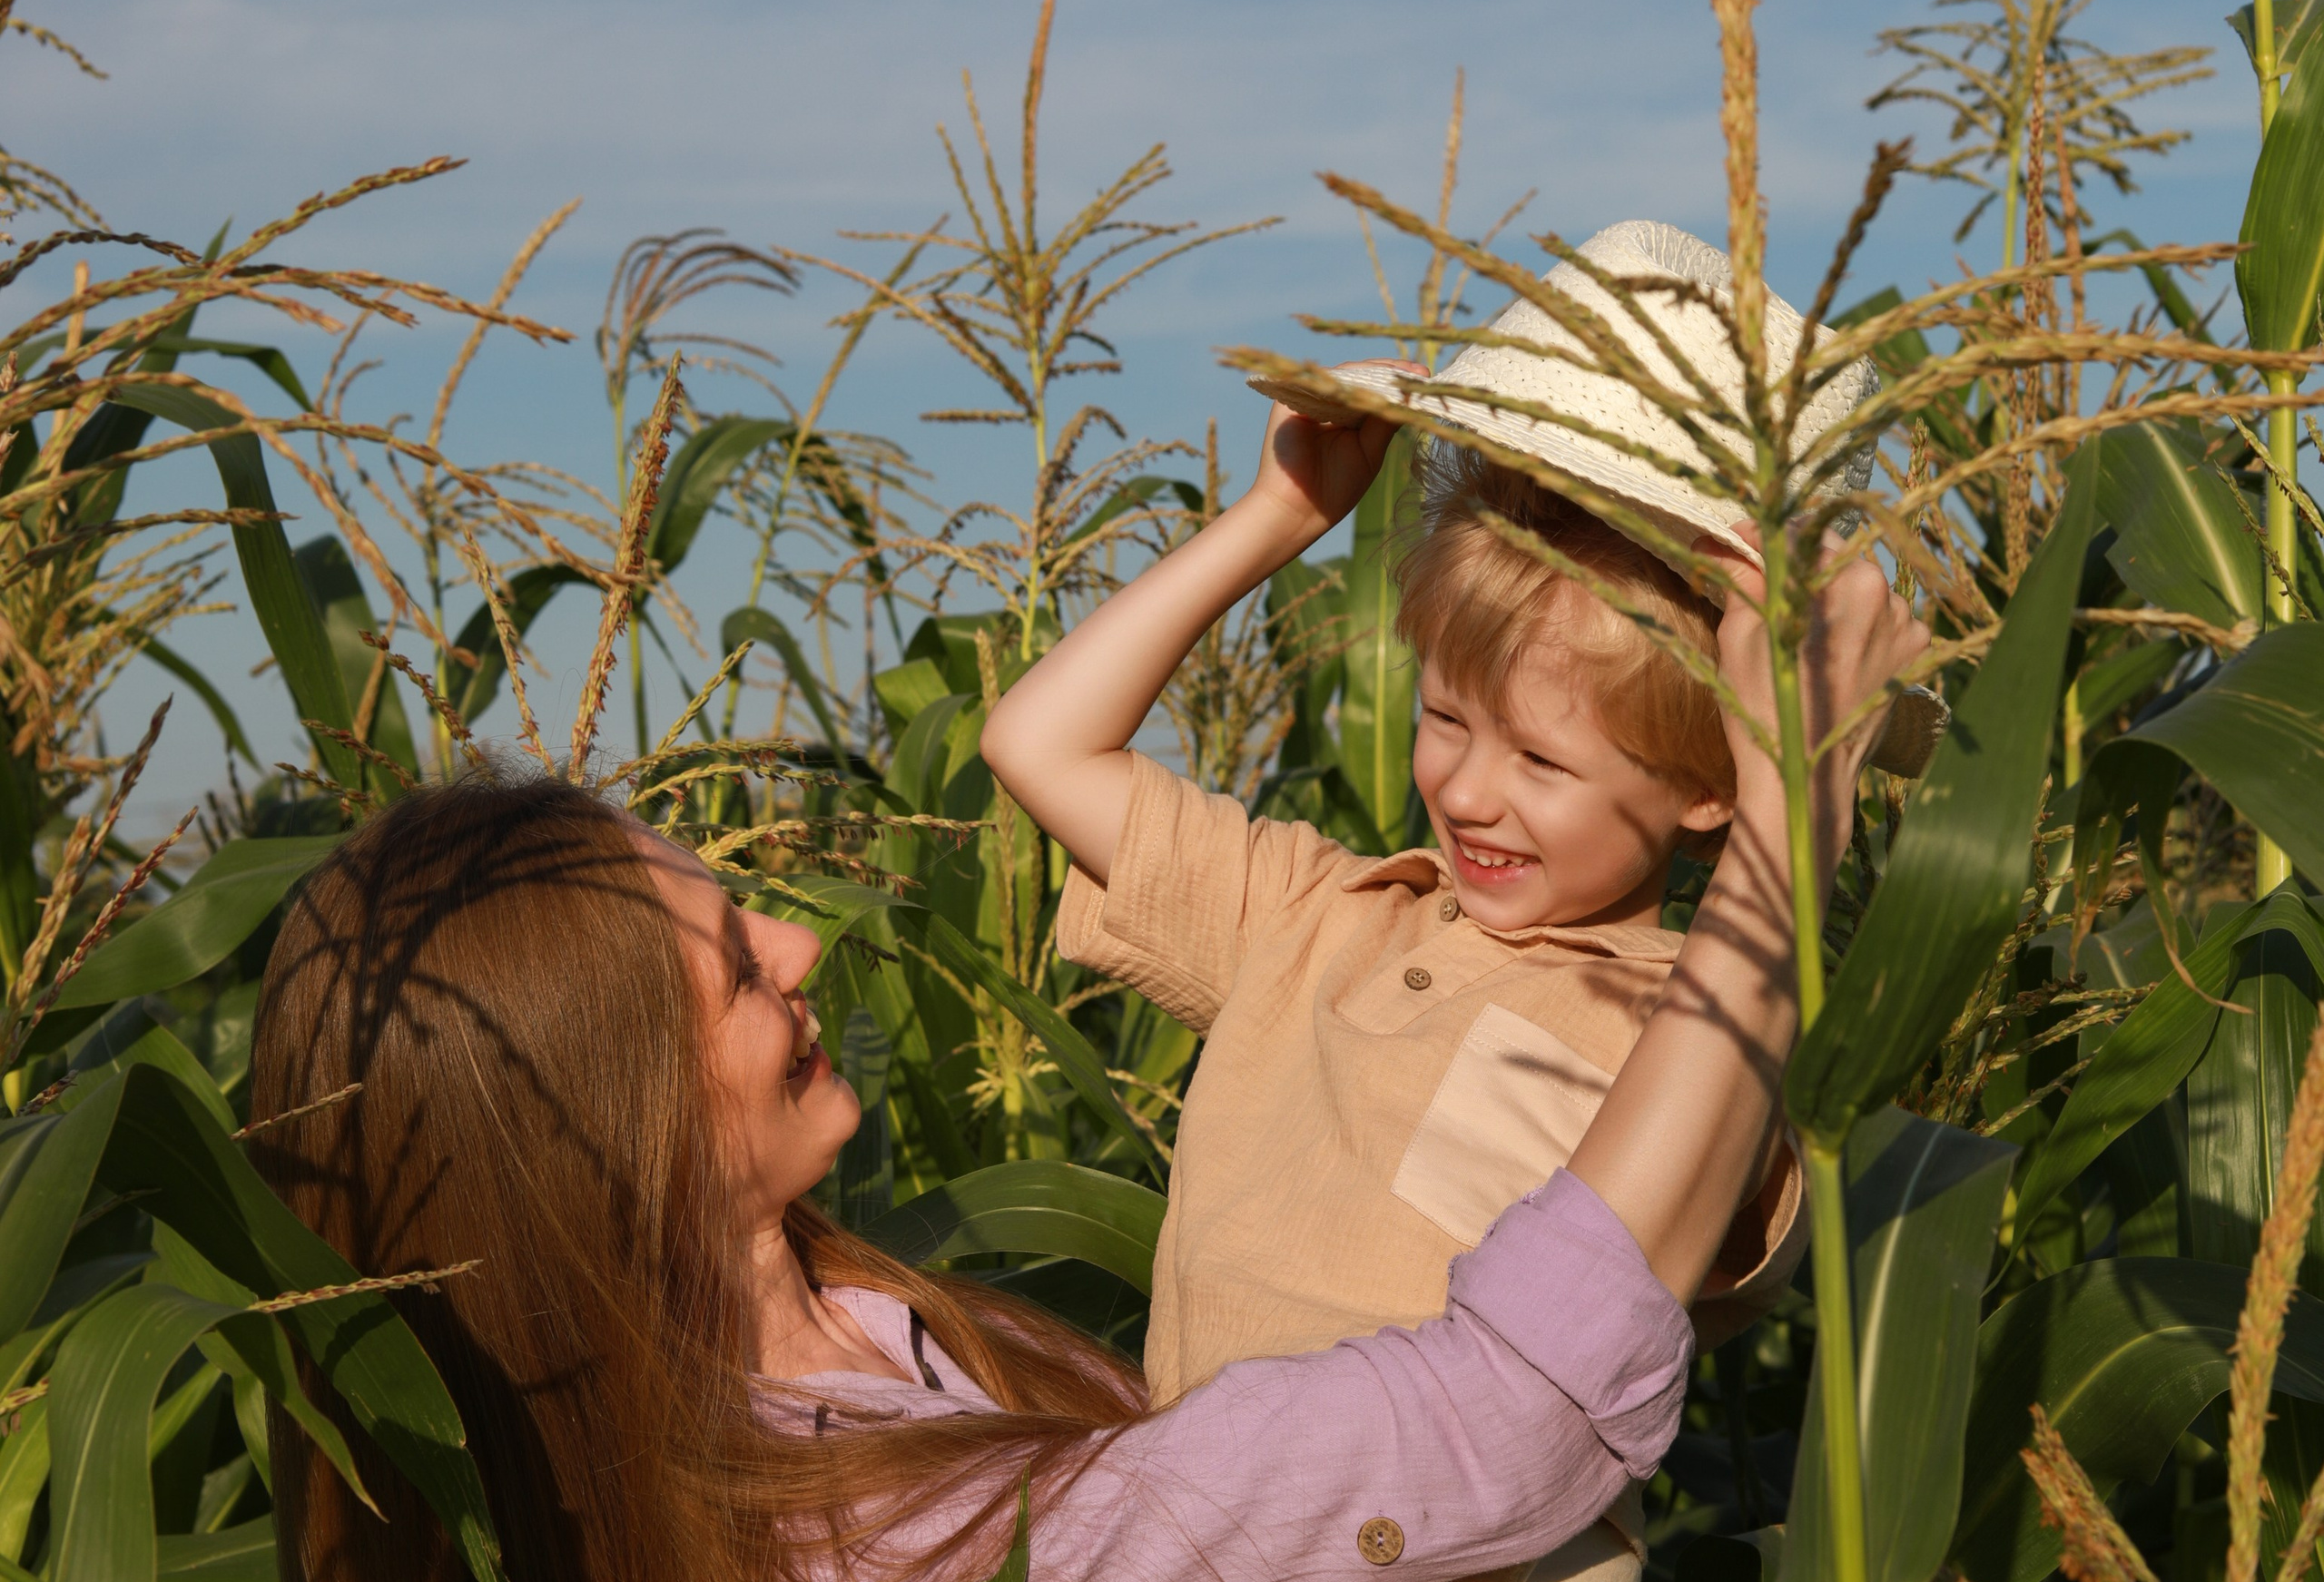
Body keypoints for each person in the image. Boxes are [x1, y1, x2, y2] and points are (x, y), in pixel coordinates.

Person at [250, 476, 1921, 1577]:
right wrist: (1797, 830)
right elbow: (1516, 1407)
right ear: (603, 1128)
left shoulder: (875, 1337)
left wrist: (1282, 508)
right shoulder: (910, 1535)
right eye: (737, 973)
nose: (800, 944)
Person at [981, 220, 1936, 1580]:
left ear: (1719, 787)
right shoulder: (1317, 921)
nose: (1471, 793)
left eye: (1544, 759)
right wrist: (1280, 521)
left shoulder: (1703, 1024)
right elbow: (1040, 745)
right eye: (1444, 718)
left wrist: (1808, 785)